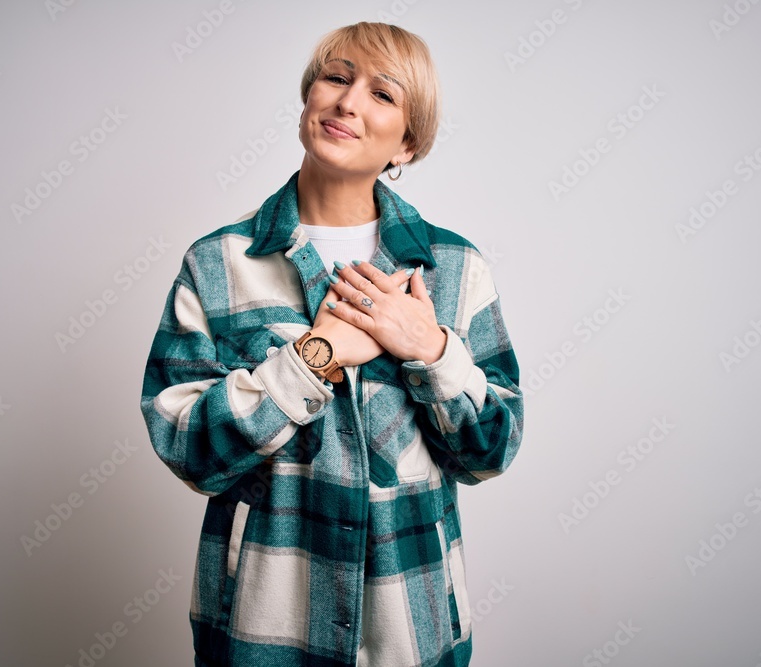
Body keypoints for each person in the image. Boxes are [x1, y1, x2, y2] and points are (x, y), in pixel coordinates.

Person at [140, 21, 524, 667]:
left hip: (411, 633)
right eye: (337, 78)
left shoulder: (455, 268)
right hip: (262, 636)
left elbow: (491, 451)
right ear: (309, 97)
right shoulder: (217, 262)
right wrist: (311, 358)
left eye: (382, 93)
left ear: (408, 141)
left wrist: (431, 350)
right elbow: (188, 448)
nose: (348, 102)